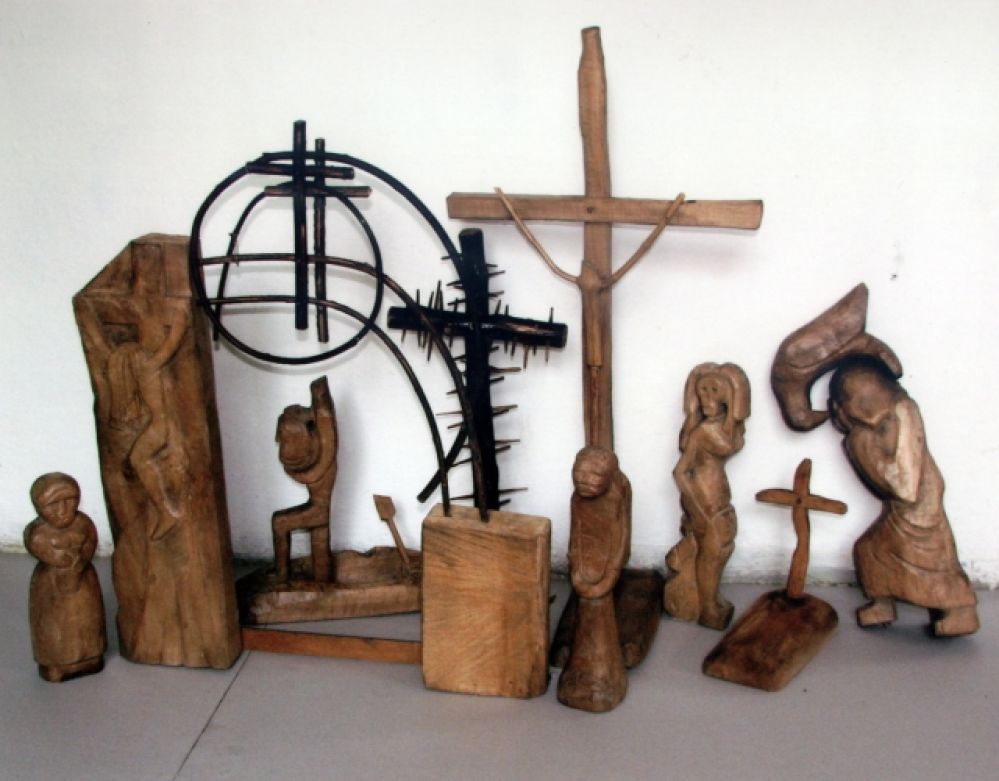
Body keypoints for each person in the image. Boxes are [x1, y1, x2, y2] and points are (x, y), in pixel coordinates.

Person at [830, 360, 978, 636]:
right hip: (900, 507)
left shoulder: (904, 412)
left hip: (920, 505)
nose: (845, 407)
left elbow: (906, 487)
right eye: (843, 400)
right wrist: (858, 441)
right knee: (870, 549)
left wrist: (861, 442)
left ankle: (960, 611)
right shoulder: (866, 433)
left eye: (853, 397)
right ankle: (883, 604)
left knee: (931, 559)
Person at [665, 363, 750, 629]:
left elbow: (733, 440)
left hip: (718, 499)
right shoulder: (702, 432)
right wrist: (697, 512)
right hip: (704, 501)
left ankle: (709, 600)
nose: (707, 398)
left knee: (720, 551)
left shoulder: (722, 427)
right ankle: (708, 608)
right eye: (703, 391)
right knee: (711, 556)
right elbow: (680, 472)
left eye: (715, 390)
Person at [558, 446, 631, 712]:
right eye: (578, 475)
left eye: (593, 476)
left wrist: (610, 573)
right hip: (586, 565)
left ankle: (602, 678)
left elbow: (621, 542)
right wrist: (576, 567)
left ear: (610, 478)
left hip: (605, 568)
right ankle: (580, 672)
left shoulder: (616, 498)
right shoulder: (577, 499)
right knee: (586, 615)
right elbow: (576, 536)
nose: (584, 482)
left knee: (599, 615)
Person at [24, 473, 106, 682]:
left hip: (83, 581)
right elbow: (40, 549)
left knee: (88, 619)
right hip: (52, 586)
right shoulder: (38, 532)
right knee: (55, 625)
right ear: (39, 507)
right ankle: (56, 663)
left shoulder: (83, 523)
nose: (62, 510)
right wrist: (64, 560)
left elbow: (91, 542)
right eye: (53, 504)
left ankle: (90, 657)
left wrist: (81, 560)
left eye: (69, 501)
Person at [272, 377, 338, 582]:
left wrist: (319, 400)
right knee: (319, 539)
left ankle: (282, 577)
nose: (303, 409)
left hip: (319, 511)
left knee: (279, 523)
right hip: (319, 509)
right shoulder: (322, 448)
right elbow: (322, 410)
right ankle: (320, 581)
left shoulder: (323, 456)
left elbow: (323, 413)